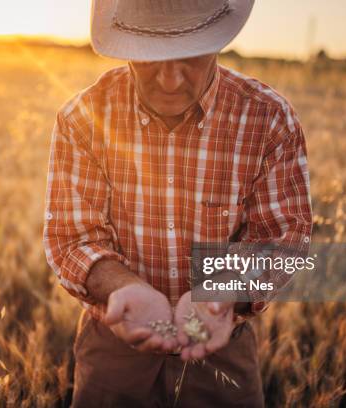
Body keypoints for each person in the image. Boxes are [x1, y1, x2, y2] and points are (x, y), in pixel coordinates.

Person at [43, 0, 313, 406]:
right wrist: (121, 287)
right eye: (150, 57)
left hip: (223, 348)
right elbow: (71, 238)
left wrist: (222, 291)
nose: (169, 80)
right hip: (113, 351)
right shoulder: (83, 118)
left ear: (219, 41)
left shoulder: (269, 120)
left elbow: (283, 240)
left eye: (189, 57)